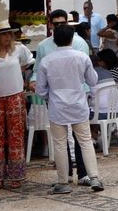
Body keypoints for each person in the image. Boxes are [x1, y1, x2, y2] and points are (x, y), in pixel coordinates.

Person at [37, 23, 104, 194]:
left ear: (54, 39)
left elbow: (41, 90)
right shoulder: (82, 57)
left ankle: (63, 181)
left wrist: (49, 97)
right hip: (78, 104)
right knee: (85, 141)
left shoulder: (46, 61)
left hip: (57, 106)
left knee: (59, 144)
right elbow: (93, 80)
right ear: (72, 38)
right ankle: (94, 177)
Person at [0, 23, 33, 190]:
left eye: (9, 34)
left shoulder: (19, 49)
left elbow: (27, 66)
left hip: (15, 95)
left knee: (16, 135)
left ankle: (16, 175)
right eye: (4, 34)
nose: (7, 37)